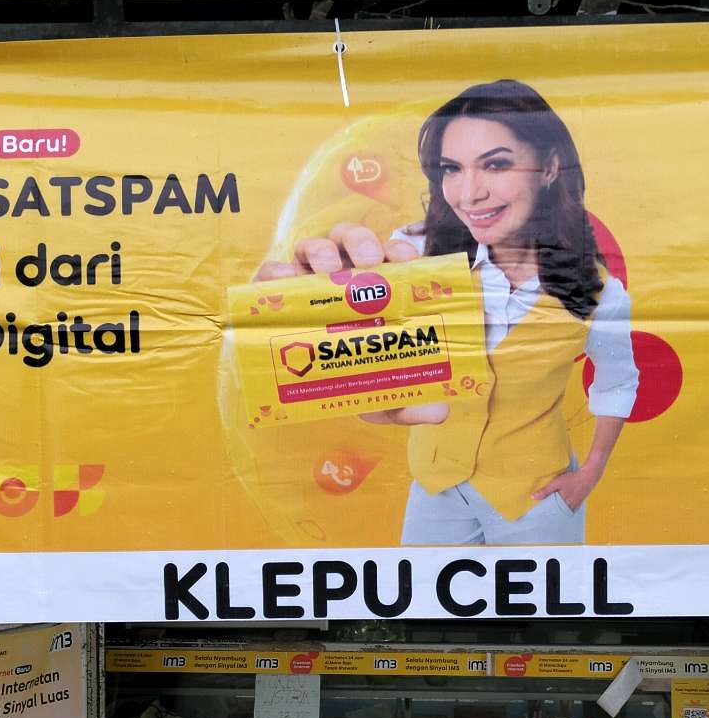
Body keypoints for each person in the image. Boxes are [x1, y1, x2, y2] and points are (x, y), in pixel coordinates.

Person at [255, 79, 637, 545]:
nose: (469, 193)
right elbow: (358, 361)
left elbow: (616, 382)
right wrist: (303, 308)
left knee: (539, 598)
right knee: (423, 595)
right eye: (451, 169)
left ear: (551, 167)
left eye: (495, 164)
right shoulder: (414, 254)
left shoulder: (600, 291)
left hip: (537, 497)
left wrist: (590, 473)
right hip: (436, 490)